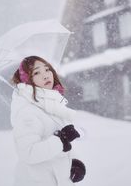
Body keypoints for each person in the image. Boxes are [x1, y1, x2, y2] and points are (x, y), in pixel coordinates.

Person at [10, 55, 86, 186]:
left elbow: (63, 145)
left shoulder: (51, 105)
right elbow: (28, 153)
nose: (45, 75)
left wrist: (74, 161)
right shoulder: (27, 111)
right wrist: (61, 139)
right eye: (36, 73)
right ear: (28, 80)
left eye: (47, 69)